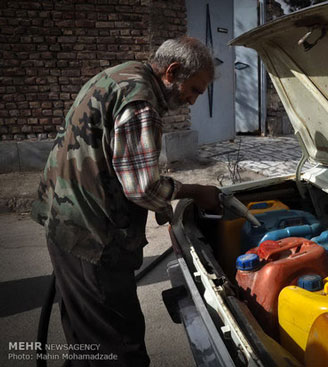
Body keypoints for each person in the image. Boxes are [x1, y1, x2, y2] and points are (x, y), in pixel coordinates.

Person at [31, 36, 220, 366]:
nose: (191, 101)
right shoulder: (142, 104)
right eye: (193, 89)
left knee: (85, 340)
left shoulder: (121, 74)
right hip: (93, 240)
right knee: (119, 348)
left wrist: (162, 207)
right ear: (172, 71)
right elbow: (142, 188)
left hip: (64, 222)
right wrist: (195, 191)